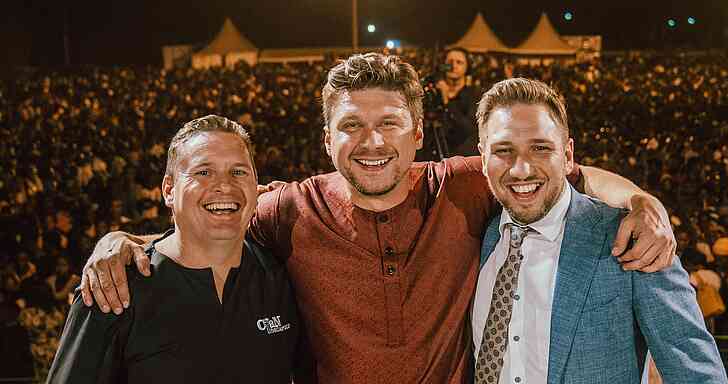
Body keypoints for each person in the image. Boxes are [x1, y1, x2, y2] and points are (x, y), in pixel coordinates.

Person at [81, 53, 676, 383]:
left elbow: (569, 174)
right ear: (326, 139)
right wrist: (124, 240)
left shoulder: (464, 186)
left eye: (390, 123)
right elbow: (208, 217)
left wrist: (641, 202)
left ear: (418, 132)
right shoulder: (289, 209)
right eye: (351, 126)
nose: (372, 141)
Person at [471, 78, 726, 384]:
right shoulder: (475, 235)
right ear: (483, 160)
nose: (521, 168)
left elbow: (696, 373)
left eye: (540, 148)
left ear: (567, 156)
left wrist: (644, 200)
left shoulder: (634, 239)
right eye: (503, 150)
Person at [47, 115, 299, 383]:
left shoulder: (283, 277)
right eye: (204, 172)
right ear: (169, 190)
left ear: (256, 186)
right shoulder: (113, 289)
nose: (225, 185)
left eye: (239, 172)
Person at [418, 47, 480, 161]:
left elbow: (468, 129)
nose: (453, 66)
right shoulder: (433, 93)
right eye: (449, 62)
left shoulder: (474, 96)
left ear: (468, 68)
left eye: (459, 62)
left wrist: (446, 101)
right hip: (431, 158)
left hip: (459, 160)